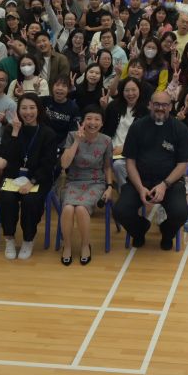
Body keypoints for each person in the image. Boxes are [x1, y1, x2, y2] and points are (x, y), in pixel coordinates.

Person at [113, 91, 188, 250]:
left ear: (170, 107)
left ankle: (167, 233)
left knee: (180, 213)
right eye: (156, 104)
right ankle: (140, 230)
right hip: (140, 181)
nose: (160, 108)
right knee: (120, 211)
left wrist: (164, 185)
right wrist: (139, 187)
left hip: (170, 183)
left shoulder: (180, 129)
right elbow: (130, 162)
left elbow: (182, 164)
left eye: (164, 105)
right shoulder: (137, 127)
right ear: (150, 105)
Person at [0, 94, 61, 260]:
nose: (28, 112)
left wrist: (31, 182)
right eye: (24, 108)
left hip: (38, 178)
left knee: (30, 201)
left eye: (32, 108)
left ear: (38, 110)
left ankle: (28, 239)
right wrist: (15, 132)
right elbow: (6, 156)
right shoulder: (11, 129)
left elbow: (48, 164)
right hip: (12, 176)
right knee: (6, 198)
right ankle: (9, 238)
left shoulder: (48, 133)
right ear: (18, 110)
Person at [58, 107, 114, 266]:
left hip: (95, 182)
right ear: (82, 121)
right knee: (68, 209)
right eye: (89, 118)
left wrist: (110, 186)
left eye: (97, 119)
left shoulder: (106, 140)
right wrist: (77, 141)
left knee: (81, 209)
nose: (92, 122)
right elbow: (64, 164)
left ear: (102, 123)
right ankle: (67, 246)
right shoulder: (72, 136)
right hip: (73, 181)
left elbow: (107, 167)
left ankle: (85, 245)